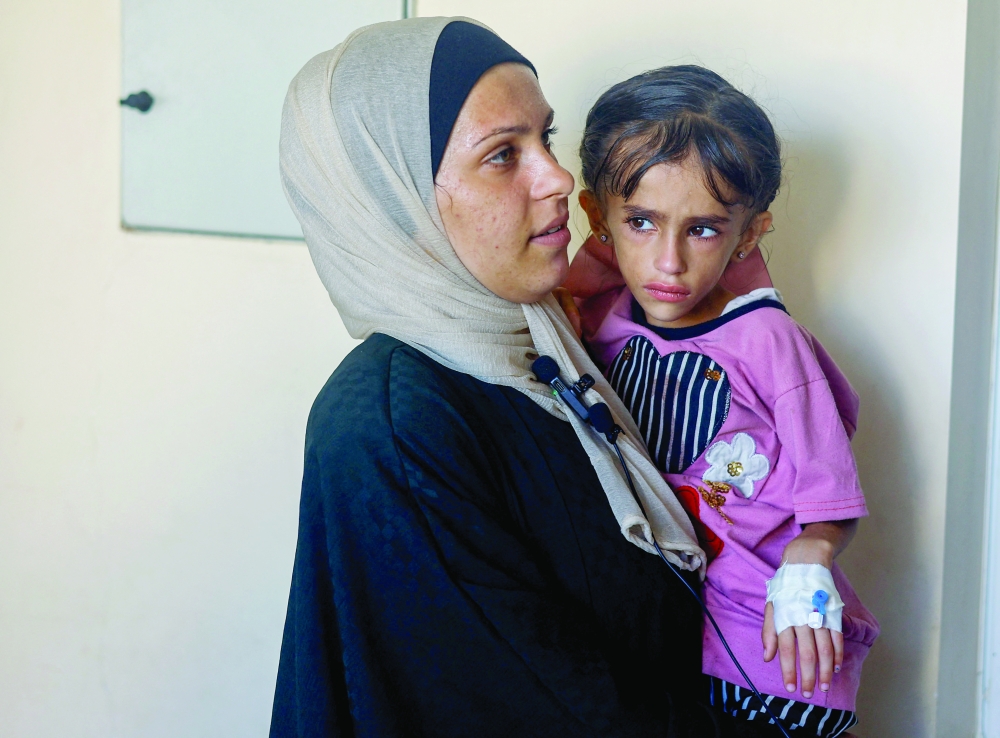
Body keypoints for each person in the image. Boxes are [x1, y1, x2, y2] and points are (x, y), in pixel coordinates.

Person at [269, 16, 788, 738]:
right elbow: (541, 706)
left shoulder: (552, 348)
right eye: (502, 156)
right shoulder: (394, 423)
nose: (557, 177)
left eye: (543, 139)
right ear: (400, 200)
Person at [566, 65, 880, 736]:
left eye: (704, 229)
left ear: (750, 231)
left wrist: (810, 557)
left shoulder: (770, 341)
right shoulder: (599, 321)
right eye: (643, 222)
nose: (669, 262)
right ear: (599, 216)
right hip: (659, 640)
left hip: (772, 656)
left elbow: (832, 496)